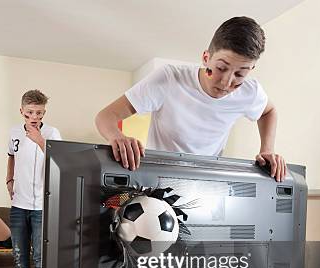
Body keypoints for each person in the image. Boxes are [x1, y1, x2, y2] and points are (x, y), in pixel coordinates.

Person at [95, 16, 287, 181]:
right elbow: (105, 117)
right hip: (157, 180)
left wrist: (267, 149)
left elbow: (269, 111)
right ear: (206, 58)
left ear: (250, 70)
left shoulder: (250, 92)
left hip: (206, 181)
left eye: (240, 74)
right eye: (221, 68)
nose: (227, 82)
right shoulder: (169, 78)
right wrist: (117, 137)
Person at [0, 90, 62, 268]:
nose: (34, 116)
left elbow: (60, 163)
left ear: (44, 112)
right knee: (19, 253)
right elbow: (11, 157)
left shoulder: (52, 133)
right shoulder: (14, 132)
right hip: (18, 203)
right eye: (30, 112)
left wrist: (41, 141)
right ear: (22, 111)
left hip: (42, 205)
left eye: (39, 112)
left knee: (39, 257)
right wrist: (9, 180)